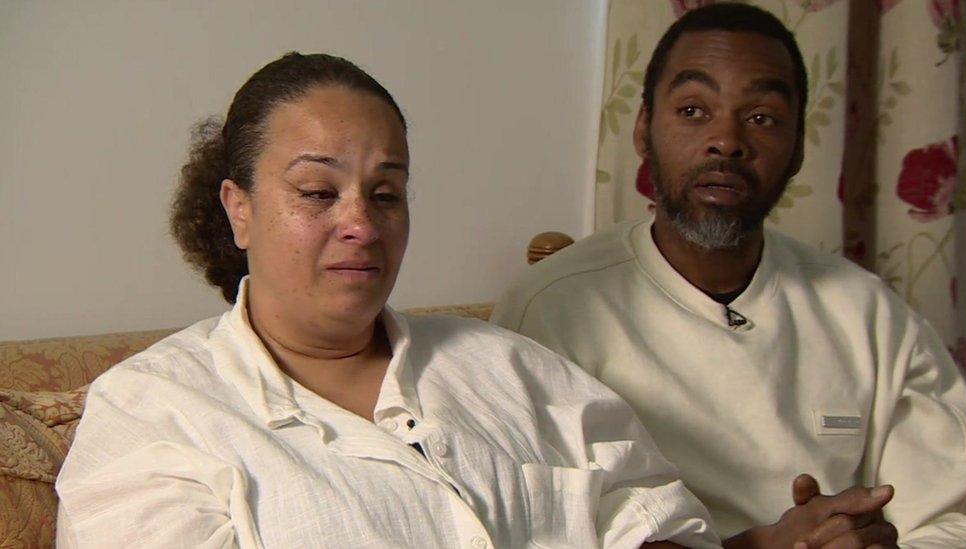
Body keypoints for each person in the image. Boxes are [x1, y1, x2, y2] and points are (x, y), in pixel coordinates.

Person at [54, 52, 720, 548]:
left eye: (386, 193)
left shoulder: (513, 368)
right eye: (318, 192)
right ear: (239, 209)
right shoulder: (153, 413)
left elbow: (652, 510)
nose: (362, 225)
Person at [491, 4, 966, 548]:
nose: (727, 141)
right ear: (644, 130)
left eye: (762, 117)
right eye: (694, 110)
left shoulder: (869, 314)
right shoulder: (552, 311)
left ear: (795, 151)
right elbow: (532, 527)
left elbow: (955, 519)